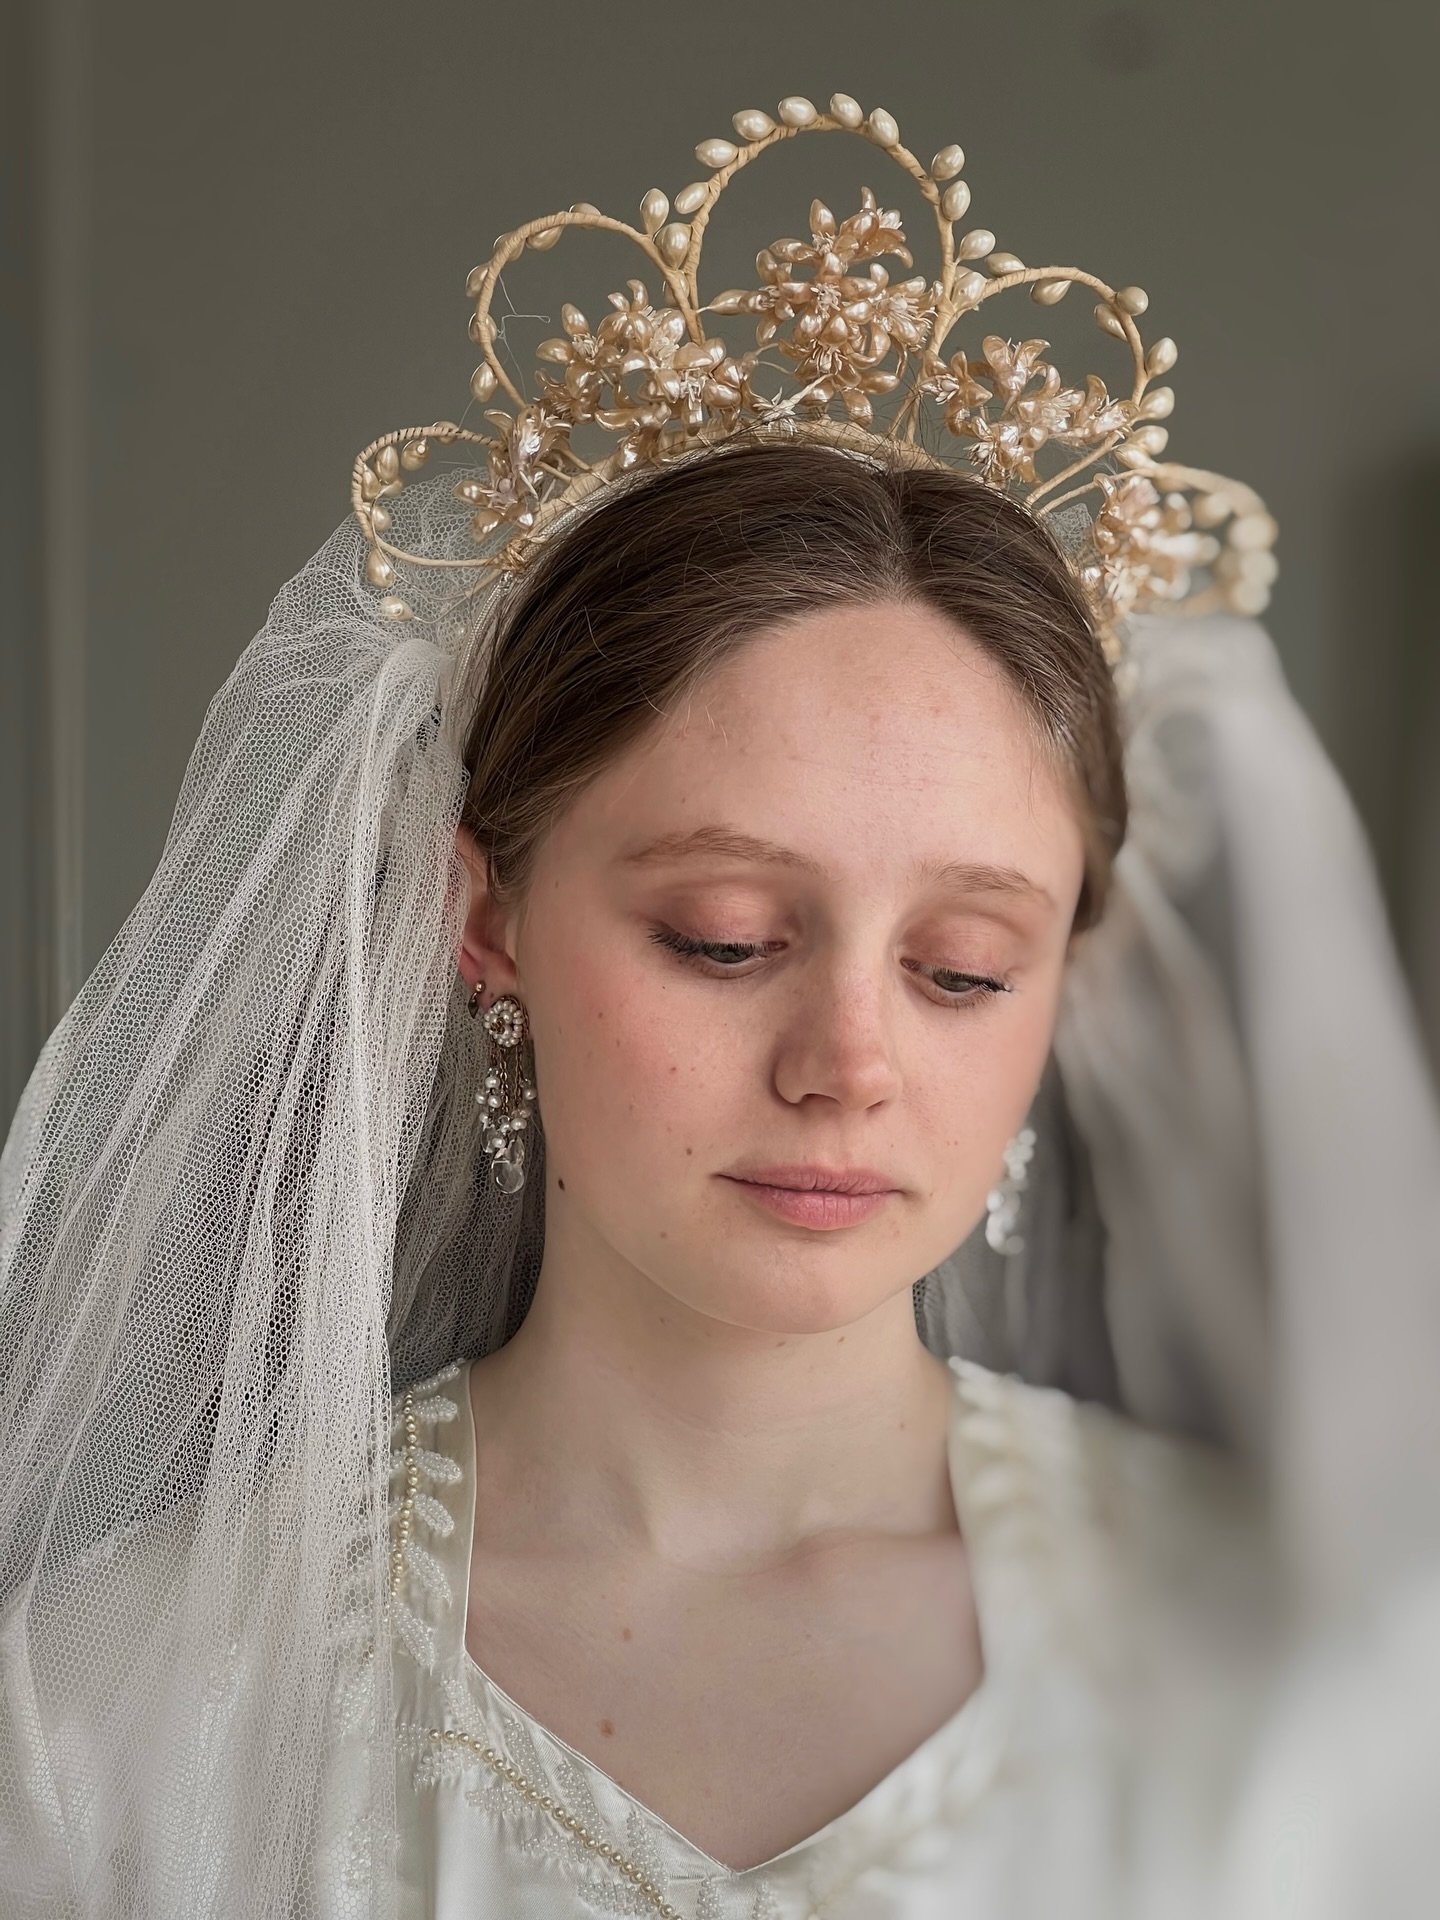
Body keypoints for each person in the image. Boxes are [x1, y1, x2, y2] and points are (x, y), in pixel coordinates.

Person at [3, 87, 1437, 1920]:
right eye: (727, 934)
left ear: (1066, 979)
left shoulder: (1301, 1684)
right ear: (488, 920)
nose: (849, 1065)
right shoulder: (129, 1716)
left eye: (961, 971)